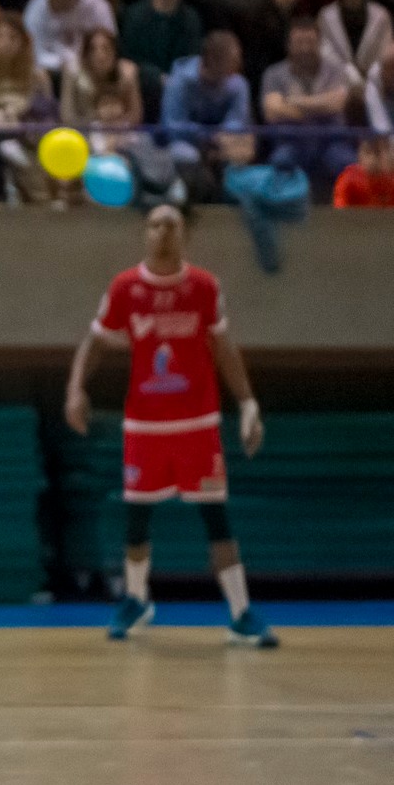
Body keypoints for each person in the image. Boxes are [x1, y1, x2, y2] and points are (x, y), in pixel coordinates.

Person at [65, 206, 279, 647]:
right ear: (146, 233)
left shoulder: (203, 286)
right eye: (156, 224)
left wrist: (248, 402)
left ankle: (240, 612)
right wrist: (75, 390)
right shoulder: (126, 287)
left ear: (185, 235)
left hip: (197, 423)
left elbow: (224, 347)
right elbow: (95, 342)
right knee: (137, 520)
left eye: (172, 225)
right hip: (145, 425)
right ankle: (138, 599)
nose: (163, 232)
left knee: (216, 517)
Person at [260, 16, 352, 184]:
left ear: (319, 43)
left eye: (310, 42)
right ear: (288, 45)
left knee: (348, 165)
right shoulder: (273, 74)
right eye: (299, 42)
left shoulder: (336, 70)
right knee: (280, 161)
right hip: (291, 142)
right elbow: (272, 112)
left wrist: (291, 100)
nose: (305, 48)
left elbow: (336, 104)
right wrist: (320, 106)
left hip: (330, 141)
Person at [162, 30, 252, 164]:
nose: (239, 63)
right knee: (186, 155)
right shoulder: (181, 81)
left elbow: (237, 122)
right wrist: (208, 136)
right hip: (185, 144)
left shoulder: (238, 84)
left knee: (241, 152)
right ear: (214, 60)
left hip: (223, 144)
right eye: (233, 60)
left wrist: (224, 137)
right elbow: (174, 126)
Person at [23, 0, 115, 75]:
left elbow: (111, 48)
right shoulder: (36, 8)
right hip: (48, 75)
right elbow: (31, 54)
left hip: (90, 75)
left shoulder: (97, 6)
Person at [120, 0, 204, 83]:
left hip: (180, 83)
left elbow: (192, 57)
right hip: (142, 82)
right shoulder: (134, 16)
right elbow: (129, 57)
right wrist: (157, 77)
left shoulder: (191, 19)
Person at [318, 0, 390, 86]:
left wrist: (368, 71)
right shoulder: (326, 15)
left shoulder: (381, 15)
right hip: (336, 81)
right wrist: (349, 71)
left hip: (373, 80)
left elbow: (385, 48)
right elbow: (325, 50)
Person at [61, 26, 143, 123]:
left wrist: (118, 122)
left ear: (115, 52)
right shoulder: (73, 74)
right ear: (85, 55)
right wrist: (96, 118)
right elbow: (67, 117)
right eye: (93, 50)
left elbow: (136, 116)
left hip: (120, 133)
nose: (100, 55)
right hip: (85, 132)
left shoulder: (127, 74)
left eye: (106, 49)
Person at [334, 130, 394, 203]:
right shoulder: (349, 180)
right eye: (369, 153)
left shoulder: (390, 181)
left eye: (378, 153)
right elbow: (340, 212)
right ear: (360, 155)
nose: (372, 158)